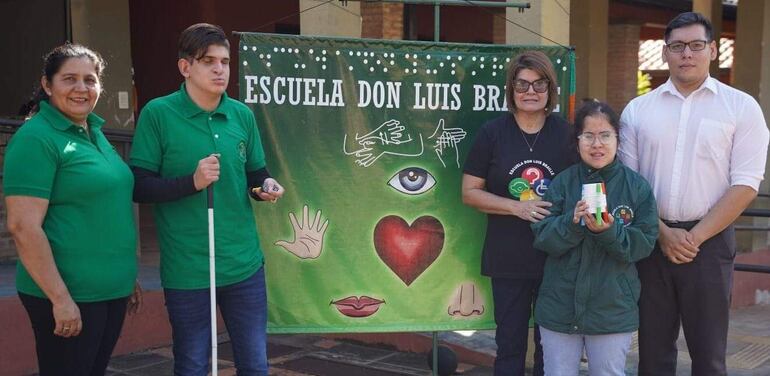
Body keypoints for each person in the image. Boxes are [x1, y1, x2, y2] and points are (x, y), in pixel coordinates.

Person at [619, 12, 770, 375]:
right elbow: (627, 182)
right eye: (677, 46)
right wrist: (663, 234)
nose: (687, 53)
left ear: (713, 50)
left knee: (709, 356)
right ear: (666, 53)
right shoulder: (638, 110)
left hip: (710, 245)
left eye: (696, 45)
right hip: (651, 241)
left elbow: (747, 183)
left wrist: (693, 237)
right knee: (653, 355)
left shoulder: (741, 107)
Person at [129, 23, 284, 375]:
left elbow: (256, 174)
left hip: (243, 262)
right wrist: (192, 182)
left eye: (225, 62)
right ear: (186, 67)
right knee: (194, 363)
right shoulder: (158, 113)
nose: (219, 70)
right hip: (189, 267)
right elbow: (139, 186)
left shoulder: (241, 115)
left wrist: (265, 188)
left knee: (256, 364)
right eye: (208, 61)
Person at [3, 43, 142, 376]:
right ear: (48, 85)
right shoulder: (37, 138)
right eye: (70, 79)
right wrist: (60, 299)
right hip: (68, 295)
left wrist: (124, 277)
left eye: (90, 80)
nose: (82, 88)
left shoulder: (93, 131)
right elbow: (23, 227)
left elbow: (104, 206)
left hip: (110, 290)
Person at [462, 50, 575, 376]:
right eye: (522, 84)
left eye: (539, 85)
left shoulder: (566, 134)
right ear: (510, 89)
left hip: (555, 257)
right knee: (509, 344)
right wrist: (516, 207)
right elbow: (469, 193)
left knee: (550, 346)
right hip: (507, 257)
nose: (530, 92)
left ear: (550, 90)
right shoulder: (492, 133)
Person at [531, 100, 658, 375]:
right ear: (577, 142)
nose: (596, 144)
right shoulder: (563, 183)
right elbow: (542, 237)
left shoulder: (636, 186)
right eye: (588, 136)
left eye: (605, 136)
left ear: (617, 140)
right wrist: (572, 222)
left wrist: (610, 232)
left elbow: (644, 243)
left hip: (611, 308)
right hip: (559, 305)